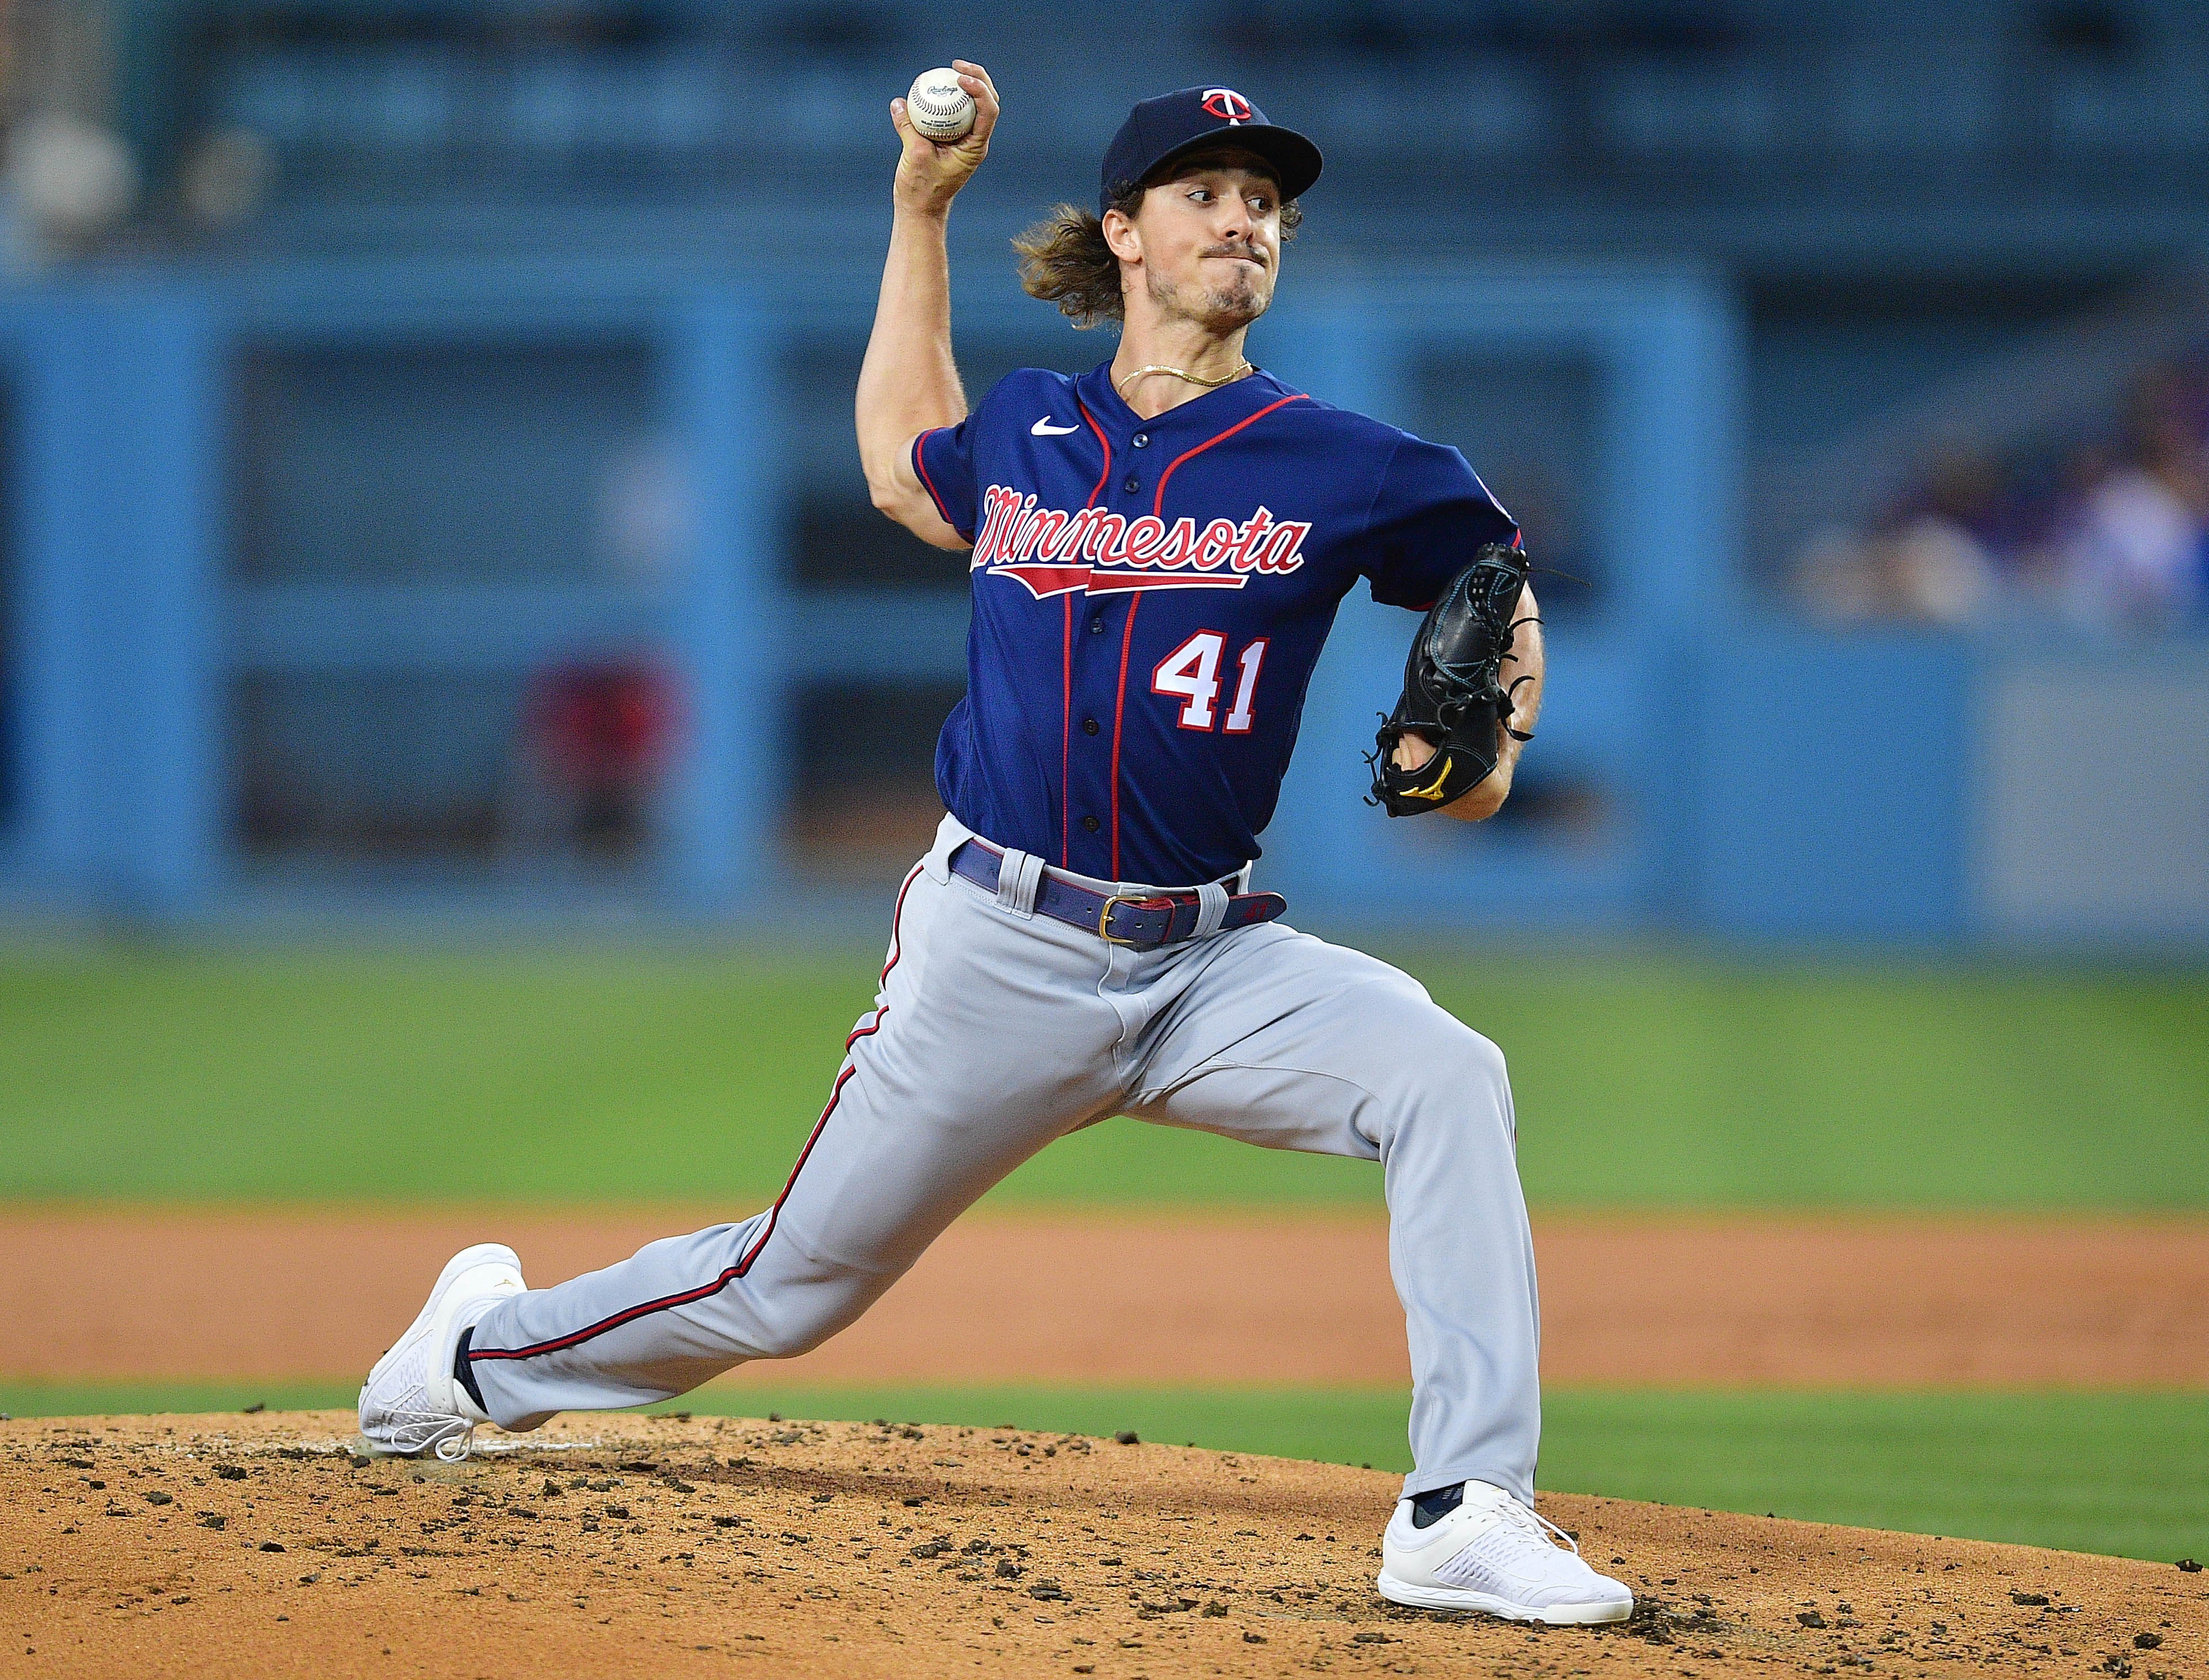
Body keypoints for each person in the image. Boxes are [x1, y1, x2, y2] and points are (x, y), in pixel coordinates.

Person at [358, 69, 1633, 1628]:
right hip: (1000, 947)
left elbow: (1497, 591)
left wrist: (1490, 745)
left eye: (1266, 200)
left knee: (1448, 1070)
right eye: (1206, 191)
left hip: (1210, 959)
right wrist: (920, 204)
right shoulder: (1033, 423)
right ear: (1127, 234)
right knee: (789, 1283)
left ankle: (1461, 1504)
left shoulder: (1344, 462)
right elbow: (903, 459)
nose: (1244, 217)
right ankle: (475, 1355)